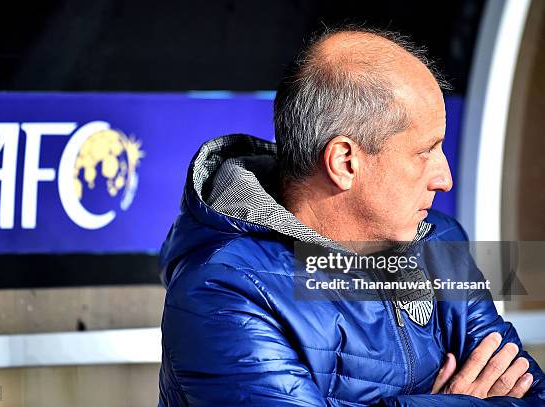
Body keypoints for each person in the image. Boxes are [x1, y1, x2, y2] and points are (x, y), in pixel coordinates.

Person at [157, 28, 545, 406]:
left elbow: (530, 392)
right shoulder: (222, 292)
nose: (445, 179)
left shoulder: (439, 239)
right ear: (344, 162)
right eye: (426, 151)